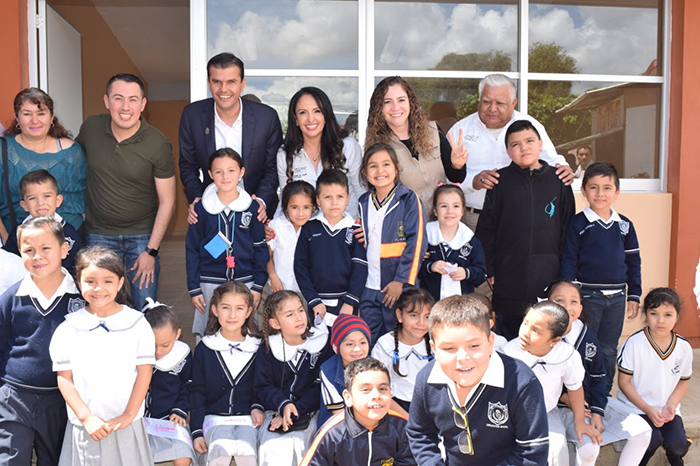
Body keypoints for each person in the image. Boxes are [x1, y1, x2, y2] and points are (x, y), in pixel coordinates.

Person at [407, 294, 549, 465]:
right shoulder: (427, 379)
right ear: (434, 349)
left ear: (490, 342)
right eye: (449, 348)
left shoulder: (521, 382)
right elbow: (419, 434)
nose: (463, 357)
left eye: (474, 346)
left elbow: (532, 452)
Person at [77, 73, 176, 309]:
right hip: (99, 234)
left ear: (143, 104)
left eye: (133, 100)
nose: (125, 107)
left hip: (142, 237)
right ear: (106, 100)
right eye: (118, 98)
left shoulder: (158, 143)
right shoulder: (91, 128)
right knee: (101, 305)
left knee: (146, 306)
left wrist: (151, 251)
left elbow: (168, 201)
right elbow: (70, 162)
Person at [49, 246, 155, 464]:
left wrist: (128, 415)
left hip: (126, 424)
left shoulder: (137, 323)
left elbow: (144, 372)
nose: (99, 288)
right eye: (90, 281)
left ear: (120, 282)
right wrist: (86, 417)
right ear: (79, 283)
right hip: (86, 427)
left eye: (108, 281)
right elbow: (64, 378)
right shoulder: (69, 328)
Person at [476, 120, 575, 340]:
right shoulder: (499, 182)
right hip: (509, 276)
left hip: (548, 274)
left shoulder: (558, 180)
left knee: (545, 334)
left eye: (529, 141)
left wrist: (566, 274)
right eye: (516, 144)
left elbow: (568, 229)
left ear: (540, 143)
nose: (524, 148)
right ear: (507, 151)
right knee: (509, 337)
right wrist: (490, 270)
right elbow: (487, 229)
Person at [0, 217, 81, 465]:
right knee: (10, 459)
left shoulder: (81, 298)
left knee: (55, 459)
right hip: (14, 395)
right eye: (28, 250)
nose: (37, 256)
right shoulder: (11, 297)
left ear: (64, 249)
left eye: (46, 248)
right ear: (19, 252)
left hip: (61, 399)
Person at [447, 74, 573, 231]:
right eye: (486, 102)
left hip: (519, 219)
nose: (492, 109)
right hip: (471, 219)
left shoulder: (530, 127)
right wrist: (473, 181)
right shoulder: (460, 130)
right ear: (479, 101)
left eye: (500, 103)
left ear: (513, 103)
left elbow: (552, 161)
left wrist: (564, 169)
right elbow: (444, 178)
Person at [548, 280, 652, 466]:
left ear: (581, 307)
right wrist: (567, 399)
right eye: (559, 300)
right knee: (588, 447)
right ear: (547, 304)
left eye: (573, 301)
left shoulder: (586, 334)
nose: (567, 307)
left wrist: (597, 412)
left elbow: (598, 376)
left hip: (589, 404)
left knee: (643, 431)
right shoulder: (542, 335)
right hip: (555, 407)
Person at [560, 162, 641, 395]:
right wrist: (569, 296)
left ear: (617, 192)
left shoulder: (625, 226)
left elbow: (634, 262)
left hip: (617, 298)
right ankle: (580, 394)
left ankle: (602, 395)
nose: (600, 194)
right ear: (584, 191)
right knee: (584, 344)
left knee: (608, 348)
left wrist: (634, 295)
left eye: (607, 188)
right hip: (587, 296)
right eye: (593, 187)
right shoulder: (577, 224)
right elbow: (569, 259)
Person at [179, 52, 283, 221]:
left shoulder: (266, 117)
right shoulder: (192, 115)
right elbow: (187, 165)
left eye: (231, 82)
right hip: (211, 212)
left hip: (258, 213)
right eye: (217, 82)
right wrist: (198, 200)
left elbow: (272, 167)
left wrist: (260, 201)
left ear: (242, 84)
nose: (223, 89)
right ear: (208, 83)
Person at [500, 301, 602, 466]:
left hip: (545, 413)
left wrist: (579, 421)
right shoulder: (505, 355)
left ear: (554, 340)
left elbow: (575, 387)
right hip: (512, 418)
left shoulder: (566, 355)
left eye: (536, 331)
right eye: (525, 323)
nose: (525, 332)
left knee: (556, 450)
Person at [185, 148, 269, 338]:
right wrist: (194, 288)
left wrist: (257, 286)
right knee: (209, 332)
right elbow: (192, 250)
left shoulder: (253, 208)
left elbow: (260, 248)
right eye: (219, 171)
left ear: (241, 172)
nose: (225, 176)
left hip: (245, 281)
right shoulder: (200, 209)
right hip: (209, 282)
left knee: (245, 333)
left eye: (231, 170)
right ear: (210, 174)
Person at [358, 143, 427, 345]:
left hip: (396, 285)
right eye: (373, 166)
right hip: (369, 285)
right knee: (369, 340)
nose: (380, 171)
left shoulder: (408, 199)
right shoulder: (363, 202)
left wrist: (400, 281)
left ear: (397, 168)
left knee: (398, 337)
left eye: (386, 164)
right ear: (365, 173)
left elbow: (417, 242)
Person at [365, 76, 467, 211]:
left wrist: (457, 165)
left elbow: (456, 177)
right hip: (408, 222)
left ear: (410, 103)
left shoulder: (433, 130)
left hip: (441, 220)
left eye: (401, 100)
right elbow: (378, 196)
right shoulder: (378, 146)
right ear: (379, 108)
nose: (395, 107)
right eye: (387, 102)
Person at [255, 290, 334, 466]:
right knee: (271, 446)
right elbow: (262, 386)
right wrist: (283, 405)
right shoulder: (269, 348)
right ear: (275, 323)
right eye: (289, 314)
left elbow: (321, 386)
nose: (299, 318)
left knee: (299, 443)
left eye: (300, 310)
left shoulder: (322, 342)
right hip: (275, 410)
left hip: (310, 411)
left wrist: (294, 409)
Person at [617, 287, 693, 466]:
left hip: (666, 410)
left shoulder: (684, 347)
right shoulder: (634, 344)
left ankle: (674, 458)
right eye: (654, 314)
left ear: (677, 316)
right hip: (636, 408)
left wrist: (671, 405)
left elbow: (683, 382)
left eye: (668, 315)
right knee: (651, 439)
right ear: (645, 314)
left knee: (678, 445)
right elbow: (624, 383)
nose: (661, 321)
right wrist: (648, 408)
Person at [190, 282, 263, 466]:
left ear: (249, 312)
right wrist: (196, 432)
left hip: (248, 418)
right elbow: (197, 392)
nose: (232, 315)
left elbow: (264, 385)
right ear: (214, 310)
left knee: (247, 452)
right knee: (218, 451)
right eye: (225, 308)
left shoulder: (258, 347)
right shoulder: (205, 348)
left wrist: (257, 406)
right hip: (214, 418)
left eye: (239, 308)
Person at [0, 87, 86, 242]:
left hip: (66, 240)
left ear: (52, 116)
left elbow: (85, 197)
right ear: (17, 117)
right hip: (18, 240)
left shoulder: (73, 152)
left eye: (41, 113)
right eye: (27, 114)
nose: (35, 120)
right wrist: (5, 237)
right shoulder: (3, 150)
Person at [300, 358, 416, 466]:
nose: (376, 395)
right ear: (348, 397)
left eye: (382, 389)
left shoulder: (401, 427)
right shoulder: (332, 433)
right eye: (366, 390)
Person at [276, 87, 363, 218]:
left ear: (326, 115)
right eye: (303, 112)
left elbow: (360, 189)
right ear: (295, 119)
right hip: (305, 228)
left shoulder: (348, 146)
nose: (311, 119)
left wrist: (364, 222)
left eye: (317, 111)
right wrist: (275, 224)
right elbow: (285, 197)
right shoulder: (285, 154)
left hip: (346, 226)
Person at [294, 169, 367, 317]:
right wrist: (313, 300)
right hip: (317, 303)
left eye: (340, 196)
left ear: (348, 199)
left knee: (345, 333)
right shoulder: (309, 228)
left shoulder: (355, 230)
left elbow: (360, 268)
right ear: (318, 200)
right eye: (327, 197)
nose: (334, 202)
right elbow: (300, 267)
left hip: (346, 304)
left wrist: (351, 301)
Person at [143, 299, 194, 466]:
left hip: (169, 419)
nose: (158, 352)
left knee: (183, 457)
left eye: (165, 345)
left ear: (177, 335)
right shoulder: (137, 353)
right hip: (139, 420)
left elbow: (188, 385)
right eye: (152, 345)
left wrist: (180, 410)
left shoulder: (182, 355)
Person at [371, 288, 434, 419]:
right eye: (414, 315)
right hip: (395, 410)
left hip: (430, 408)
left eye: (427, 317)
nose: (421, 323)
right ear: (399, 315)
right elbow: (379, 390)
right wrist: (408, 419)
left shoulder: (436, 344)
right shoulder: (384, 346)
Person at [3, 170, 82, 273]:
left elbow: (76, 267)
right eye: (32, 198)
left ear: (58, 200)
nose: (40, 203)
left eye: (47, 196)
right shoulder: (17, 233)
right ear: (24, 205)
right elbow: (9, 265)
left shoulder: (68, 232)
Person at [420, 184, 486, 301]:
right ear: (435, 210)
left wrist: (466, 273)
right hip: (429, 303)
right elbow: (412, 268)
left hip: (460, 305)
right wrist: (430, 266)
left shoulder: (471, 241)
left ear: (462, 210)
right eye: (444, 206)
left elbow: (481, 273)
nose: (450, 211)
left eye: (456, 206)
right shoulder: (424, 237)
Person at [318, 314, 371, 426]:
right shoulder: (328, 371)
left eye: (363, 342)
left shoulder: (375, 368)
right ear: (336, 347)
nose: (357, 349)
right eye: (349, 344)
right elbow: (338, 413)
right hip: (338, 425)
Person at [267, 181, 317, 293]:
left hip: (306, 290)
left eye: (306, 207)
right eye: (294, 207)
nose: (300, 213)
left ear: (314, 206)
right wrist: (273, 276)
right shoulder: (276, 226)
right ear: (285, 206)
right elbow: (267, 255)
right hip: (279, 287)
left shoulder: (316, 228)